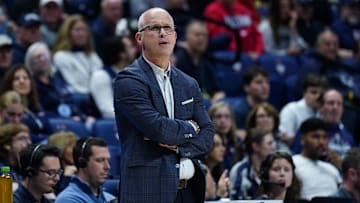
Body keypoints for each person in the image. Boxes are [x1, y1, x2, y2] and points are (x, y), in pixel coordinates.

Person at [113, 7, 215, 203]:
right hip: (147, 190)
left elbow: (208, 133)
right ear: (139, 37)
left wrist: (179, 148)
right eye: (154, 28)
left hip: (188, 191)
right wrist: (192, 127)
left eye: (167, 28)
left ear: (175, 36)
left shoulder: (188, 83)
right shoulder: (128, 80)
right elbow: (159, 129)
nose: (162, 33)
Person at [174, 20, 224, 104]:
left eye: (205, 36)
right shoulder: (179, 60)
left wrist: (217, 96)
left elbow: (217, 90)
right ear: (187, 37)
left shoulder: (205, 60)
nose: (201, 38)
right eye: (197, 35)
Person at [292, 118, 342, 201]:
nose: (321, 142)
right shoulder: (292, 163)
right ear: (302, 140)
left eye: (324, 137)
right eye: (316, 137)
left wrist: (342, 167)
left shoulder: (331, 168)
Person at [55, 137, 116, 203]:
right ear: (82, 162)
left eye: (108, 160)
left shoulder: (110, 198)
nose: (107, 167)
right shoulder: (67, 199)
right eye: (100, 160)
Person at [0, 64, 53, 141]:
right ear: (9, 83)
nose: (22, 81)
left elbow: (49, 129)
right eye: (16, 79)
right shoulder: (8, 108)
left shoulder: (36, 106)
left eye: (25, 78)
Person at [90, 36, 136, 118]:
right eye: (130, 47)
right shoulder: (101, 76)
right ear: (122, 55)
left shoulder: (132, 74)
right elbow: (107, 111)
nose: (135, 49)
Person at [279, 73, 328, 145]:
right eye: (313, 92)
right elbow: (284, 140)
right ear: (304, 93)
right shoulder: (291, 110)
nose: (318, 97)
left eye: (321, 94)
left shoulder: (324, 113)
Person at [229, 128, 276, 200]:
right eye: (269, 143)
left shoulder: (276, 169)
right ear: (256, 146)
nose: (274, 147)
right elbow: (235, 200)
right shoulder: (240, 171)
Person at [208, 102, 243, 170]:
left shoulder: (237, 141)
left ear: (232, 120)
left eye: (227, 116)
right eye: (218, 116)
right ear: (210, 120)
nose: (223, 121)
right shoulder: (206, 142)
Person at [0, 123, 31, 191]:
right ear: (7, 144)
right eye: (22, 138)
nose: (29, 142)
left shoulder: (26, 167)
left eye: (28, 138)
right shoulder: (2, 168)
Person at [203, 133, 231, 200]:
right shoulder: (201, 171)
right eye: (217, 145)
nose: (223, 149)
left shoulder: (217, 171)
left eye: (222, 145)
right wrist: (219, 194)